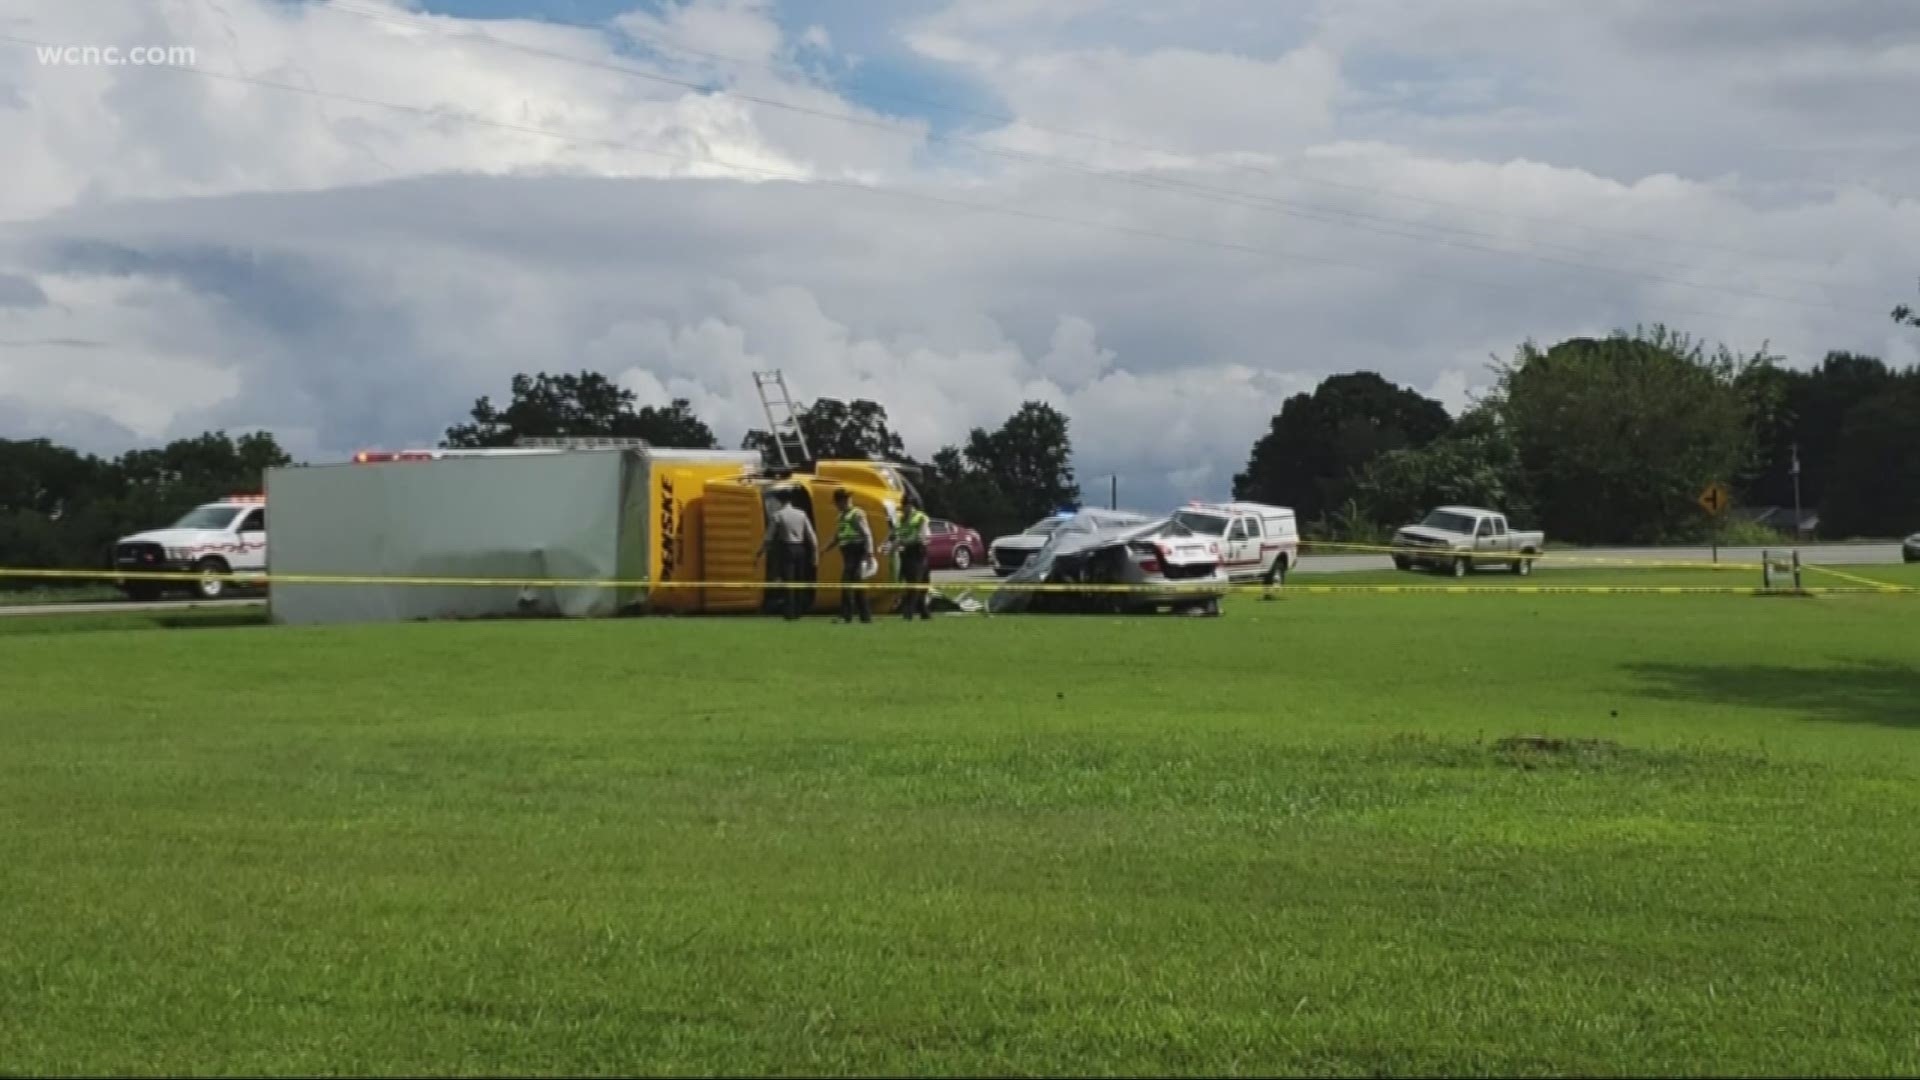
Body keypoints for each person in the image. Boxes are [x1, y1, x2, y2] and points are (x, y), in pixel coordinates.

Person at [755, 487, 816, 620]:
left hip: (786, 548)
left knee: (788, 580)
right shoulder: (801, 514)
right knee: (799, 580)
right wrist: (814, 554)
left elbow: (769, 537)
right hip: (800, 548)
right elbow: (811, 536)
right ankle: (799, 611)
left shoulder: (778, 515)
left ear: (780, 500)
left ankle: (789, 612)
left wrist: (760, 551)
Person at [822, 488, 874, 624]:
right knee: (856, 584)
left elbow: (866, 534)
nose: (836, 506)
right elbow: (838, 536)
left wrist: (869, 553)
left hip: (856, 551)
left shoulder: (857, 514)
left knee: (847, 582)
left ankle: (847, 615)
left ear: (842, 501)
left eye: (837, 503)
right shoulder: (841, 517)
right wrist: (826, 548)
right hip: (847, 552)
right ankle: (864, 616)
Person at [890, 492, 933, 621]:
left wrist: (902, 543)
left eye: (904, 507)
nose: (903, 510)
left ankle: (924, 613)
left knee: (922, 585)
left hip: (919, 554)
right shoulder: (901, 520)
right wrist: (891, 548)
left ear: (910, 505)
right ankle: (909, 614)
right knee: (913, 586)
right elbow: (897, 536)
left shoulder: (920, 517)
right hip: (908, 555)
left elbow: (922, 537)